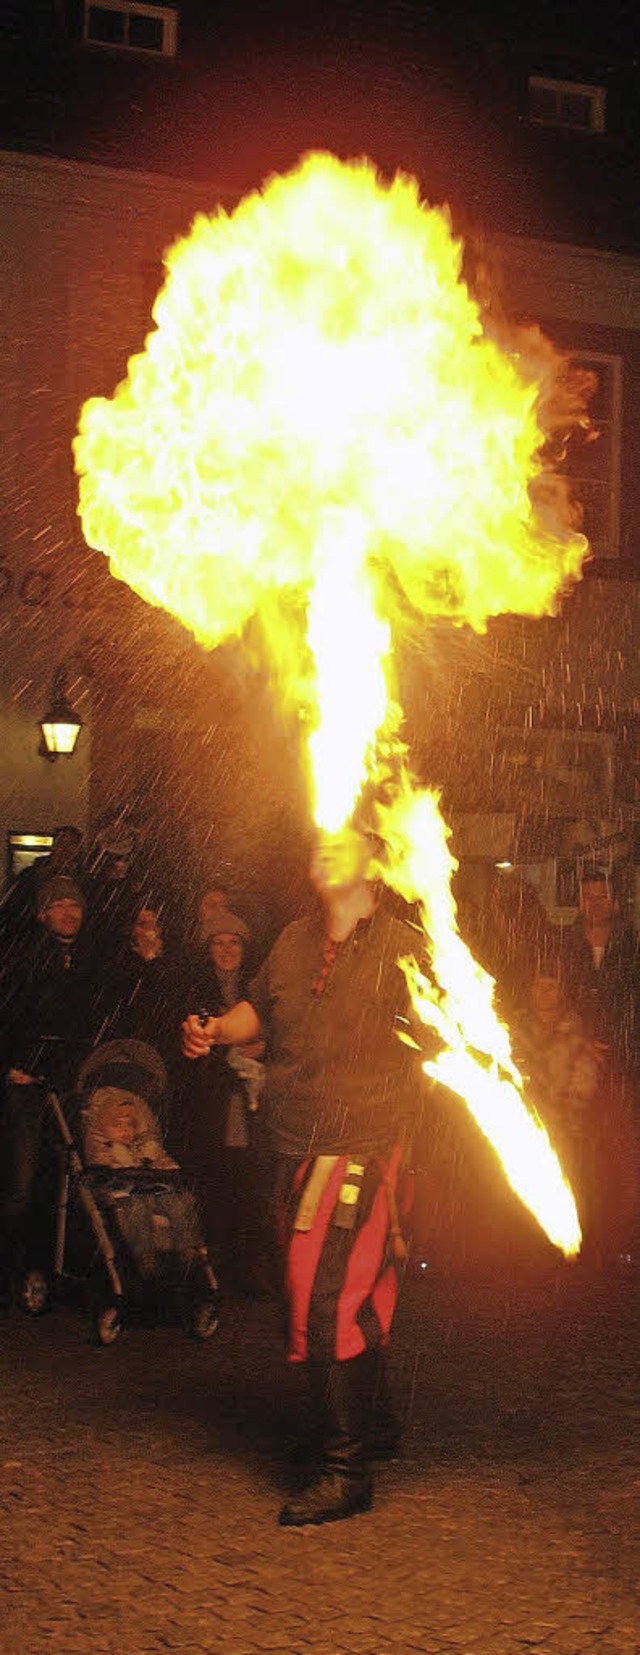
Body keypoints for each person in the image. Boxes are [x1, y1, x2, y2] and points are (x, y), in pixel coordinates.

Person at [182, 824, 426, 1527]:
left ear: (375, 865)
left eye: (344, 840)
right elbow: (263, 1012)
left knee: (324, 1294)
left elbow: (445, 1034)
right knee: (351, 1291)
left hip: (363, 1139)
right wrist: (214, 1030)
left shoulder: (406, 946)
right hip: (292, 1137)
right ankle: (367, 1425)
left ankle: (345, 1468)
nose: (324, 844)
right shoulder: (293, 938)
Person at [0, 874, 111, 1298]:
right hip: (28, 1083)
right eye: (59, 905)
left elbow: (91, 1018)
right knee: (22, 1182)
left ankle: (59, 1269)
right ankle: (14, 1271)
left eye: (75, 905)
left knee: (70, 1180)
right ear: (43, 914)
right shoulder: (23, 955)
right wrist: (16, 1063)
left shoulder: (89, 960)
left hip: (69, 1084)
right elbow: (12, 1014)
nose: (68, 913)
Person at [178, 908, 268, 1296]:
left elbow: (275, 1031)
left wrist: (260, 1047)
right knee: (216, 1185)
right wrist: (223, 1049)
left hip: (253, 1105)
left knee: (251, 1187)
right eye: (219, 942)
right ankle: (215, 1271)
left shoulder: (256, 989)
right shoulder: (194, 991)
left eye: (234, 943)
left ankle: (248, 1270)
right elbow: (190, 1046)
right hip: (213, 1102)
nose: (227, 949)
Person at [561, 867, 639, 1086]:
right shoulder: (561, 946)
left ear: (615, 903)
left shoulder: (633, 948)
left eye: (602, 897)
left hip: (626, 1061)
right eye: (587, 897)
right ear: (579, 903)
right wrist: (578, 1038)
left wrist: (618, 1041)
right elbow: (552, 999)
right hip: (569, 1061)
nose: (594, 904)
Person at [0, 825, 84, 959]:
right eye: (62, 843)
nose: (66, 849)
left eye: (71, 844)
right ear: (54, 846)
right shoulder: (30, 877)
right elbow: (12, 911)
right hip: (31, 948)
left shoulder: (85, 880)